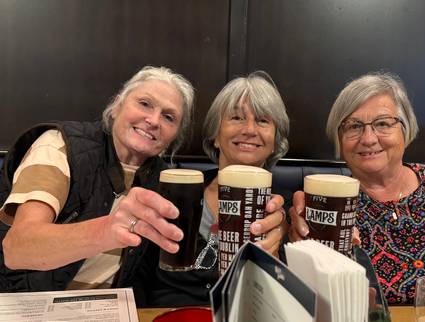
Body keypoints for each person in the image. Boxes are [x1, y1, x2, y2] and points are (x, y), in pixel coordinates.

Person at [289, 72, 425, 304]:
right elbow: (309, 300)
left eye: (382, 123)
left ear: (405, 129)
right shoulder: (329, 206)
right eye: (353, 126)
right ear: (339, 139)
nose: (368, 138)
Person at [0, 66, 195, 291]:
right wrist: (108, 230)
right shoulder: (59, 145)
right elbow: (18, 248)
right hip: (28, 304)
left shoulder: (166, 181)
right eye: (144, 104)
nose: (153, 120)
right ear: (116, 106)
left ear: (175, 135)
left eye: (168, 117)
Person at [134, 71, 290, 307]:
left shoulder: (284, 212)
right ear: (216, 136)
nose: (249, 129)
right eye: (236, 117)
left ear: (274, 142)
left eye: (262, 120)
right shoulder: (175, 191)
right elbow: (138, 273)